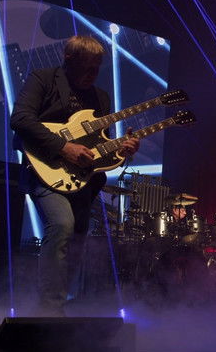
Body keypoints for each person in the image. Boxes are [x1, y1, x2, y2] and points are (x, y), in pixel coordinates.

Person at [10, 35, 139, 315]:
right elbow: (20, 119)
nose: (92, 74)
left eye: (97, 68)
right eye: (87, 67)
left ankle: (59, 303)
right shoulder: (43, 79)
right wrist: (63, 147)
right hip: (43, 171)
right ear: (69, 59)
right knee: (62, 225)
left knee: (78, 239)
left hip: (81, 181)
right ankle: (50, 310)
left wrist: (122, 150)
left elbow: (98, 150)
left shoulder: (100, 97)